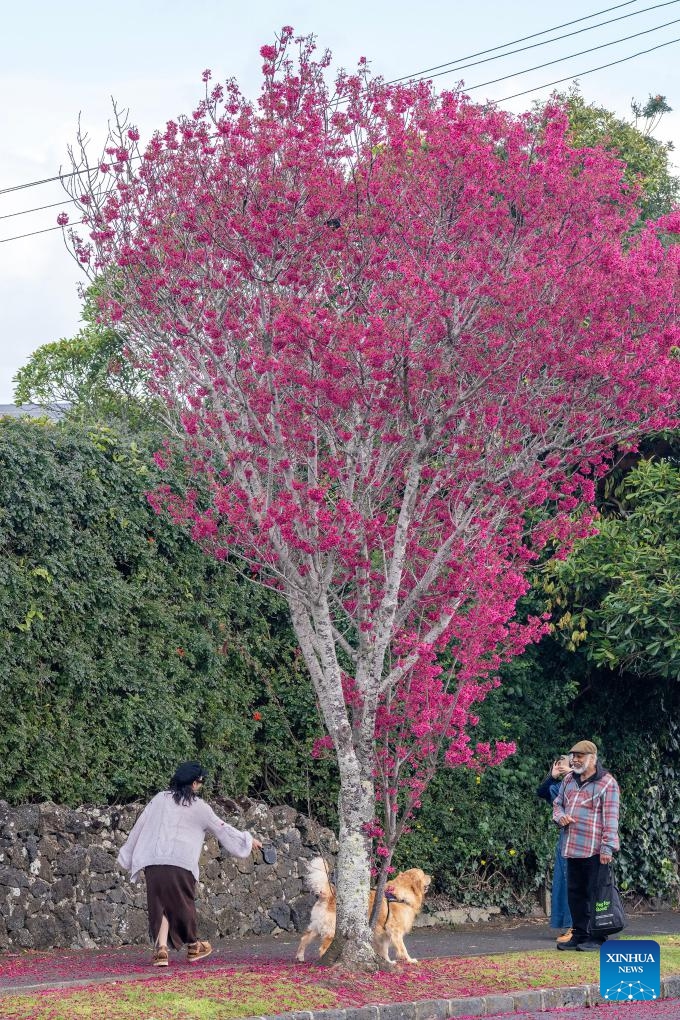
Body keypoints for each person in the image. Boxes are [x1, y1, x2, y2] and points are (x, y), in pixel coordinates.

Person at [117, 761, 263, 966]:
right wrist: (248, 841)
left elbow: (139, 826)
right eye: (200, 782)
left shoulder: (160, 799)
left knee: (160, 905)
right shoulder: (200, 807)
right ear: (194, 783)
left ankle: (161, 951)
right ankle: (193, 946)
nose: (201, 786)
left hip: (154, 862)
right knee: (183, 904)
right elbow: (223, 829)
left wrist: (127, 854)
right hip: (180, 864)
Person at [552, 740, 620, 953]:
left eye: (580, 756)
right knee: (575, 893)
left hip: (595, 850)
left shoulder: (607, 783)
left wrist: (607, 847)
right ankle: (580, 934)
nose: (575, 760)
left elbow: (611, 818)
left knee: (596, 894)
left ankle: (598, 937)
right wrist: (560, 817)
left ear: (592, 758)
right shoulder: (569, 780)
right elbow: (558, 804)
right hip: (572, 848)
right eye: (573, 756)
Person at [536, 754, 573, 943]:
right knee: (562, 882)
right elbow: (542, 792)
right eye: (559, 765)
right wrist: (552, 775)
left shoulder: (583, 782)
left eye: (564, 764)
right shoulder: (561, 787)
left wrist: (573, 772)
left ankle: (578, 926)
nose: (562, 767)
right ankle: (569, 925)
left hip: (582, 838)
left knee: (575, 882)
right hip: (565, 838)